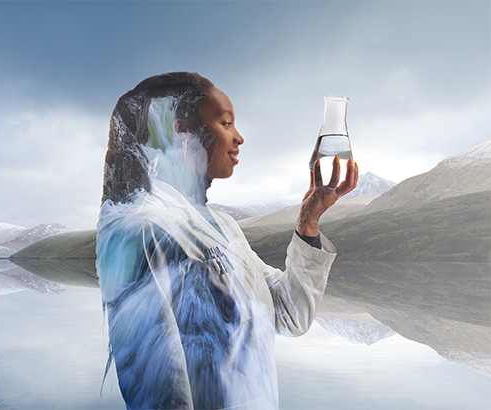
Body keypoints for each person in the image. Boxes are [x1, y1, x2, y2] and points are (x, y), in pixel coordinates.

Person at [95, 72, 358, 410]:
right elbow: (158, 389)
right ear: (183, 131)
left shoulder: (223, 226)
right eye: (226, 123)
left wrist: (309, 221)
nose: (239, 138)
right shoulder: (139, 229)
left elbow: (289, 315)